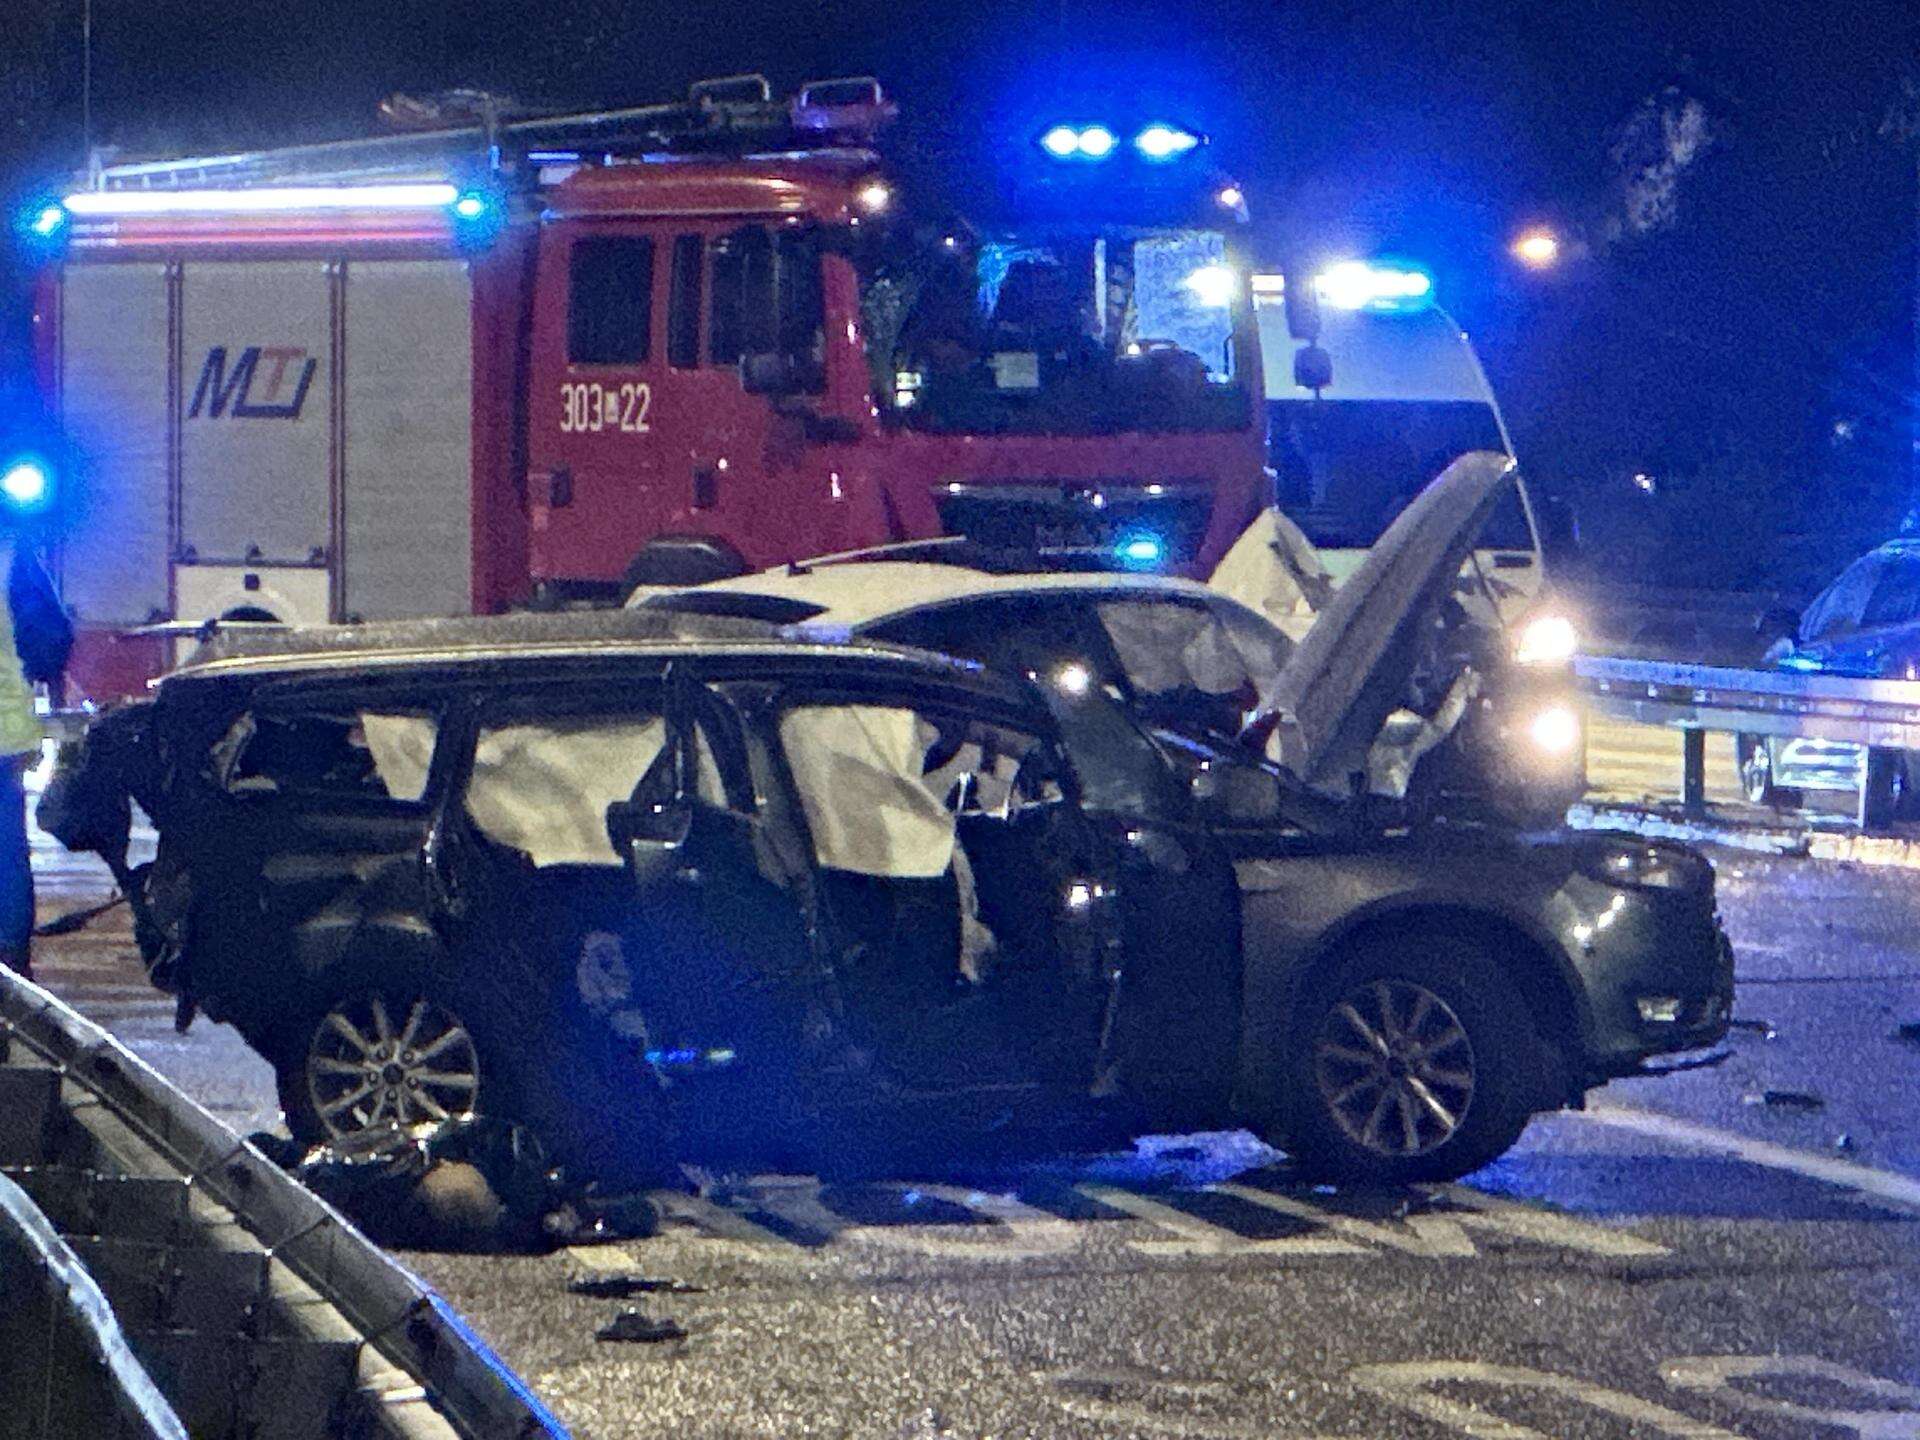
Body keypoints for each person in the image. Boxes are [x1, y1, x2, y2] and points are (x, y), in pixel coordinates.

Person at [0, 528, 73, 980]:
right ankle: (10, 976)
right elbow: (51, 642)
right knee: (5, 855)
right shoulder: (12, 558)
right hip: (3, 739)